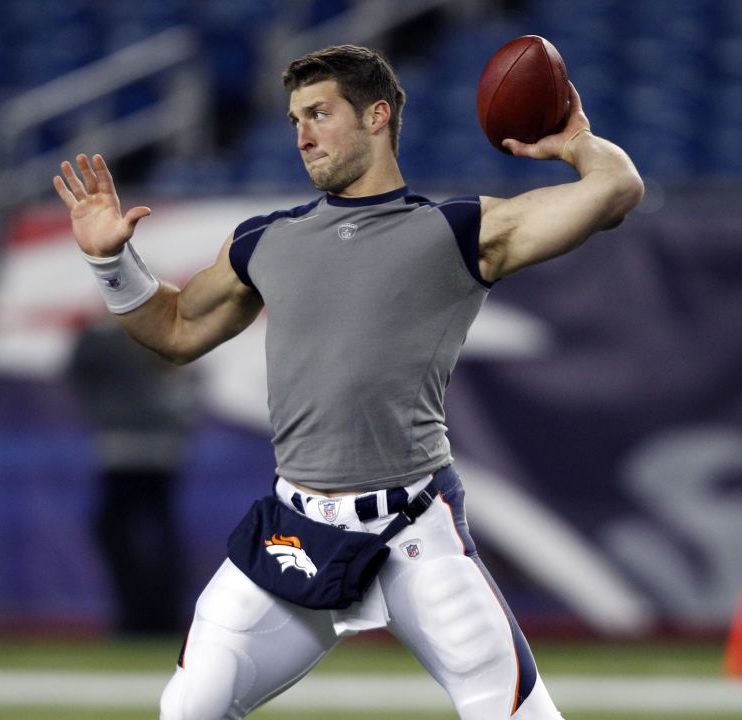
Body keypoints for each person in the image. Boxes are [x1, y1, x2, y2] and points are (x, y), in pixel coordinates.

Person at [53, 44, 642, 720]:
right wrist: (111, 261)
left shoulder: (455, 229)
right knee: (187, 710)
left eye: (320, 113)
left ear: (377, 116)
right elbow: (177, 330)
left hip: (414, 529)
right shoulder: (265, 241)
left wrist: (578, 143)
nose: (302, 133)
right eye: (295, 118)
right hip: (295, 529)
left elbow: (616, 191)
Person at [68, 315, 197, 636]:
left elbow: (77, 369)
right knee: (160, 528)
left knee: (116, 530)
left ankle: (139, 615)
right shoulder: (170, 330)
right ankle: (163, 614)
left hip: (123, 443)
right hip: (165, 443)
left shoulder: (109, 337)